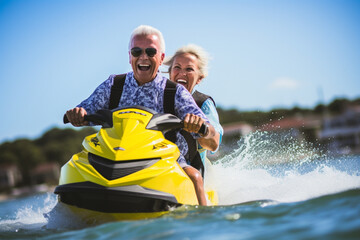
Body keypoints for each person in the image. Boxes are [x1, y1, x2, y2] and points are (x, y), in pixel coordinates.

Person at [65, 25, 219, 206]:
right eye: (137, 51)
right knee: (72, 164)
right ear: (130, 56)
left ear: (161, 58)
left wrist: (201, 127)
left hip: (163, 159)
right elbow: (86, 109)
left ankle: (203, 220)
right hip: (112, 154)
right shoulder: (113, 85)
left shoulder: (174, 91)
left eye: (150, 51)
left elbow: (213, 138)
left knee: (194, 176)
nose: (143, 57)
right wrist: (79, 114)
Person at [164, 44, 223, 164]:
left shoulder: (203, 103)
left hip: (190, 172)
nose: (182, 73)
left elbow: (214, 144)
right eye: (177, 67)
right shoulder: (156, 98)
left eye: (189, 69)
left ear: (199, 78)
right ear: (170, 73)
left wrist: (201, 130)